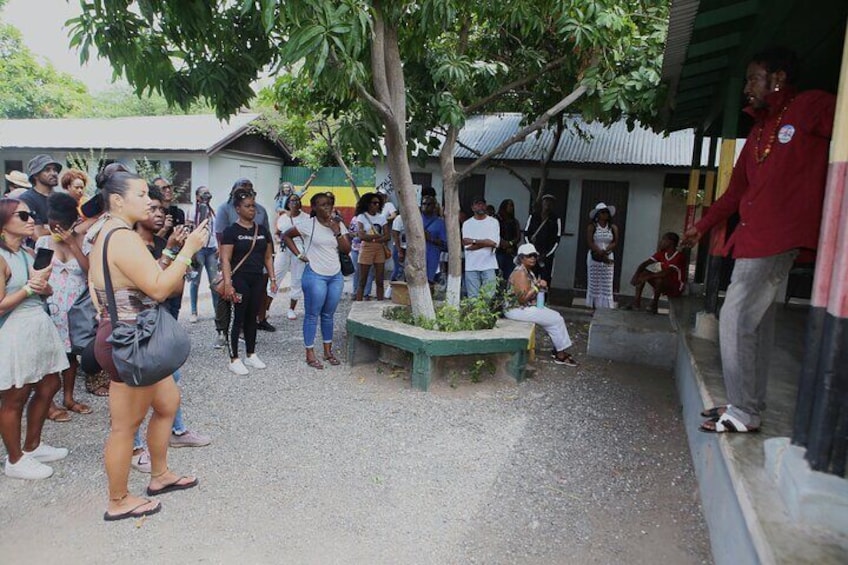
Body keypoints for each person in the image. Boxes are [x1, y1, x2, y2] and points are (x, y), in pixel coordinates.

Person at [682, 47, 836, 434]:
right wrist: (701, 226)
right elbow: (735, 192)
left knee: (734, 317)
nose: (747, 87)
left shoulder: (811, 106)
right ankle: (747, 404)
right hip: (751, 239)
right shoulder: (759, 131)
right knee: (758, 323)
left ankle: (744, 411)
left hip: (778, 237)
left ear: (778, 79)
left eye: (754, 79)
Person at [89, 167, 208, 521]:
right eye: (141, 195)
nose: (149, 200)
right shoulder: (121, 236)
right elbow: (159, 288)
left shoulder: (110, 231)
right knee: (125, 426)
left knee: (168, 403)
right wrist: (188, 250)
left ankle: (160, 476)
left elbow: (146, 277)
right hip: (130, 341)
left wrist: (171, 252)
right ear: (116, 200)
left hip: (137, 336)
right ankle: (118, 499)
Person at [129, 185, 211, 473]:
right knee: (134, 390)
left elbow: (172, 289)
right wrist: (176, 252)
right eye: (152, 209)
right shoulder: (129, 245)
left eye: (162, 210)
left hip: (156, 322)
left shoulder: (154, 245)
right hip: (132, 328)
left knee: (170, 380)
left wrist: (175, 252)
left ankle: (176, 432)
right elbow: (153, 289)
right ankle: (134, 446)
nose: (160, 214)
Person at [0, 198, 70, 479]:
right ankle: (15, 460)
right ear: (4, 222)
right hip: (16, 329)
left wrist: (44, 286)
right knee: (15, 396)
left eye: (32, 215)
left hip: (38, 324)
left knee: (51, 382)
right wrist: (31, 289)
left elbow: (42, 290)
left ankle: (33, 445)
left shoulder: (27, 253)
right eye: (23, 215)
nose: (31, 220)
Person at [36, 192, 91, 422]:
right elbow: (38, 275)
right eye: (52, 225)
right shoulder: (44, 242)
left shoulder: (83, 241)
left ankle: (69, 398)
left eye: (61, 226)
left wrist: (71, 243)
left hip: (75, 308)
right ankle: (49, 403)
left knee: (71, 356)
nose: (55, 230)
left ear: (72, 223)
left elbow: (90, 271)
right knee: (49, 355)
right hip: (51, 306)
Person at [283, 192, 351, 369]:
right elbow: (286, 235)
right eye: (321, 204)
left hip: (335, 275)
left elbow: (346, 249)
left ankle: (328, 352)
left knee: (328, 315)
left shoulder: (338, 224)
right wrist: (299, 254)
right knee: (312, 315)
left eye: (328, 203)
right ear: (313, 207)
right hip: (315, 275)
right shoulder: (308, 224)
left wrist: (337, 231)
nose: (326, 207)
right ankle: (310, 353)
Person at [220, 188, 276, 376]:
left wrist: (273, 278)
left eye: (253, 206)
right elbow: (225, 259)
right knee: (237, 318)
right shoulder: (231, 231)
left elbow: (268, 257)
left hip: (257, 279)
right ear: (238, 209)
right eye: (247, 206)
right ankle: (233, 358)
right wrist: (228, 283)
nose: (252, 210)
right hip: (239, 279)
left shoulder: (263, 231)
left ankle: (251, 354)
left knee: (253, 317)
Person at [214, 178, 273, 346]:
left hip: (255, 263)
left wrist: (270, 264)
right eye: (242, 189)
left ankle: (246, 329)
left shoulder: (260, 210)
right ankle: (221, 330)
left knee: (251, 298)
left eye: (249, 189)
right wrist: (224, 262)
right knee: (225, 295)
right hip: (232, 262)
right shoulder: (225, 209)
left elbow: (266, 235)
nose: (246, 192)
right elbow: (220, 235)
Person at [504, 243, 578, 367]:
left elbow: (532, 292)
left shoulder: (528, 271)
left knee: (555, 317)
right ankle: (560, 354)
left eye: (535, 255)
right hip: (516, 309)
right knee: (555, 319)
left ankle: (559, 349)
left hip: (525, 307)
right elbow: (522, 299)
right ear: (521, 258)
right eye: (529, 256)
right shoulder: (520, 273)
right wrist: (537, 286)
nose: (533, 258)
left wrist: (541, 287)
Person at [627, 232, 687, 314]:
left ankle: (654, 304)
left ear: (671, 242)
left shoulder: (679, 256)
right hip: (664, 283)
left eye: (663, 239)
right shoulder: (662, 254)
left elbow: (666, 272)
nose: (661, 242)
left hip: (675, 287)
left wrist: (647, 277)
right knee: (643, 273)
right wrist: (636, 275)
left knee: (659, 279)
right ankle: (636, 302)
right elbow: (645, 264)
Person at [186, 186, 219, 324]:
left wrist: (218, 246)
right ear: (198, 197)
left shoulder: (212, 211)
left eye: (208, 192)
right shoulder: (193, 211)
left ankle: (218, 311)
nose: (207, 195)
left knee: (214, 282)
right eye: (204, 193)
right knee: (195, 281)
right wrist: (191, 251)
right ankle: (193, 311)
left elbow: (216, 230)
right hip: (198, 249)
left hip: (211, 249)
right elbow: (188, 230)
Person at [271, 192, 305, 320]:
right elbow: (276, 233)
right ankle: (266, 309)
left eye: (297, 200)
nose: (295, 203)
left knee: (297, 279)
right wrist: (278, 239)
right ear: (287, 203)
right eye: (292, 201)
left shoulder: (306, 217)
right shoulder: (282, 218)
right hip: (284, 249)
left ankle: (291, 309)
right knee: (276, 276)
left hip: (299, 250)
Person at [462, 198, 500, 298]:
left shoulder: (493, 222)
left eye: (482, 204)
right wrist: (486, 242)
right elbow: (468, 247)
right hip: (471, 265)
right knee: (473, 297)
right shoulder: (467, 224)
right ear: (472, 207)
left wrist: (474, 241)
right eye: (477, 204)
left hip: (489, 264)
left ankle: (484, 313)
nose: (480, 206)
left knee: (489, 295)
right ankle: (476, 314)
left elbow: (494, 243)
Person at [354, 192, 388, 301]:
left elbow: (387, 236)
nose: (377, 205)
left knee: (379, 280)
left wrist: (371, 238)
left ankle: (380, 303)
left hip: (379, 248)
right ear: (367, 204)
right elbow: (361, 236)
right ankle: (358, 303)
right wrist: (377, 237)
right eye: (374, 203)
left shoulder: (382, 217)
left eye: (378, 203)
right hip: (366, 248)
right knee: (362, 279)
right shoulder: (362, 217)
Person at [20, 154, 63, 239]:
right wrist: (61, 227)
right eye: (47, 170)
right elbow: (37, 235)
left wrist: (47, 227)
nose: (53, 173)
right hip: (40, 250)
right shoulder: (27, 199)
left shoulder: (61, 199)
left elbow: (73, 227)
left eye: (55, 170)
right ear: (35, 175)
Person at [524, 194, 562, 286]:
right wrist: (533, 252)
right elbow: (526, 234)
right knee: (531, 279)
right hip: (533, 255)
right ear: (542, 203)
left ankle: (543, 300)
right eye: (546, 201)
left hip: (547, 257)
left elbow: (557, 239)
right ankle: (531, 300)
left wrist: (547, 254)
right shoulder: (533, 216)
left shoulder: (556, 219)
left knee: (545, 281)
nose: (548, 204)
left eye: (550, 202)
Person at [585, 202, 618, 309]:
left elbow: (615, 242)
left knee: (607, 283)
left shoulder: (613, 227)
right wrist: (599, 251)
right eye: (603, 212)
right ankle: (594, 306)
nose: (605, 214)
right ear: (598, 214)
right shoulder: (592, 227)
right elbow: (590, 242)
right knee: (595, 283)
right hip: (595, 256)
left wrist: (606, 250)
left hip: (608, 255)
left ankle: (605, 308)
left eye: (606, 212)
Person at [496, 199, 521, 279]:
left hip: (511, 252)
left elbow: (518, 237)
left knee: (510, 276)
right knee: (497, 276)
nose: (512, 208)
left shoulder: (515, 221)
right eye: (510, 205)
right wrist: (503, 244)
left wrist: (509, 244)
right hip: (499, 251)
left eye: (513, 206)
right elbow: (494, 234)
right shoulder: (497, 219)